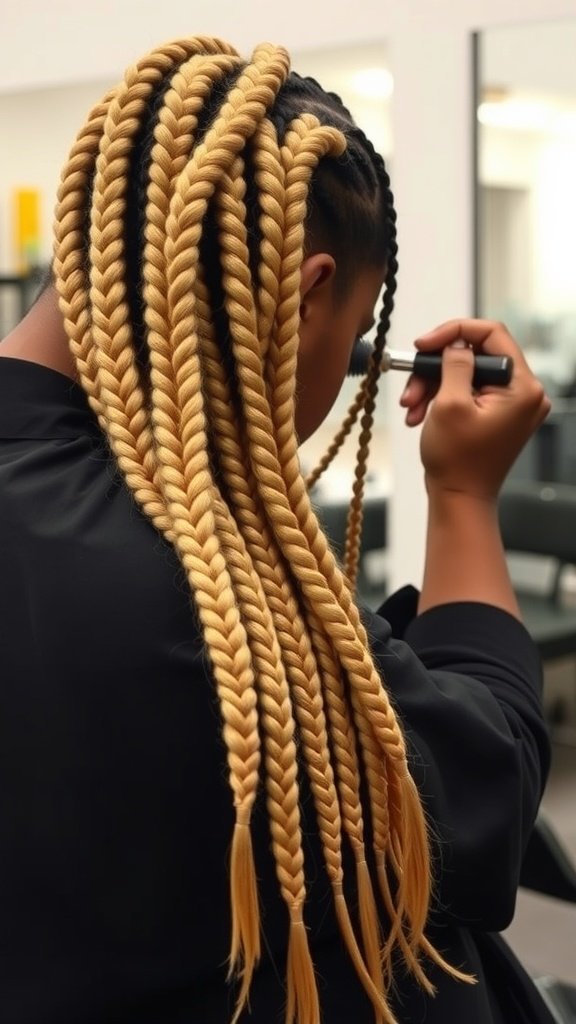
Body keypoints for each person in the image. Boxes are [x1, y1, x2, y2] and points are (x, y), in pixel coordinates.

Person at [0, 34, 555, 1024]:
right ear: (301, 295)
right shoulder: (203, 582)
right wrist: (464, 497)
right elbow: (483, 808)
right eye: (352, 345)